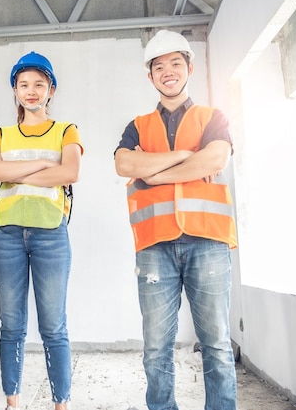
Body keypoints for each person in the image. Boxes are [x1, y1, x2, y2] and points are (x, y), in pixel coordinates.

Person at [114, 30, 238, 410]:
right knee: (155, 349)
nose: (168, 72)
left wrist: (154, 173)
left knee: (216, 344)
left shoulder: (212, 117)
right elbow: (125, 164)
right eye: (159, 66)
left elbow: (216, 159)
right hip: (155, 245)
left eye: (175, 64)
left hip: (208, 242)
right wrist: (187, 156)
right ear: (149, 76)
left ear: (190, 68)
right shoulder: (137, 125)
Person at [0, 51, 83, 410]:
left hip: (50, 234)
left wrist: (15, 169)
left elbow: (69, 173)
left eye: (39, 84)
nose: (31, 91)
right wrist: (43, 163)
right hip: (7, 234)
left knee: (53, 326)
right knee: (11, 326)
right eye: (23, 84)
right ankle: (13, 402)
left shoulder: (65, 130)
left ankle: (61, 405)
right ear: (14, 89)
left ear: (51, 89)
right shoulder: (3, 132)